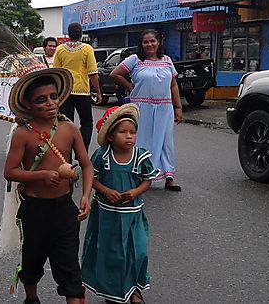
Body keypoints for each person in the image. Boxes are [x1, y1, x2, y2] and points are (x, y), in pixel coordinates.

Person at [3, 64, 94, 304]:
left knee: (69, 266)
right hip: (35, 210)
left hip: (65, 209)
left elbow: (86, 165)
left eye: (53, 97)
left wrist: (85, 196)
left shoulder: (70, 129)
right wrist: (41, 175)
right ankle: (31, 298)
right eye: (41, 100)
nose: (50, 103)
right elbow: (10, 172)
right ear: (29, 105)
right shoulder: (22, 134)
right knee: (33, 259)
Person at [81, 104, 160, 304]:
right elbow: (93, 177)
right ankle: (115, 291)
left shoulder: (141, 156)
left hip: (132, 215)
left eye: (132, 132)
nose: (129, 137)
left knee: (137, 251)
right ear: (110, 136)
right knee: (113, 254)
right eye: (123, 132)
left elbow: (147, 180)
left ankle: (134, 288)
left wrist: (136, 191)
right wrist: (105, 190)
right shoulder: (102, 156)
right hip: (107, 217)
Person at [109, 30, 183, 191]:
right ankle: (138, 175)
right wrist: (129, 86)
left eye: (152, 41)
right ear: (141, 44)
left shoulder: (167, 61)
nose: (149, 44)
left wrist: (178, 107)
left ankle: (169, 177)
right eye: (146, 42)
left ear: (158, 42)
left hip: (164, 107)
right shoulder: (135, 60)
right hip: (141, 108)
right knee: (142, 140)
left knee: (165, 141)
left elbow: (173, 85)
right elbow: (115, 74)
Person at [53, 22, 102, 150]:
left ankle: (66, 156)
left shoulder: (60, 49)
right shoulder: (87, 49)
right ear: (81, 34)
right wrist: (98, 92)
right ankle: (82, 152)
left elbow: (56, 73)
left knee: (65, 124)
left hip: (65, 92)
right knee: (86, 123)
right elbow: (92, 73)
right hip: (82, 92)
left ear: (68, 34)